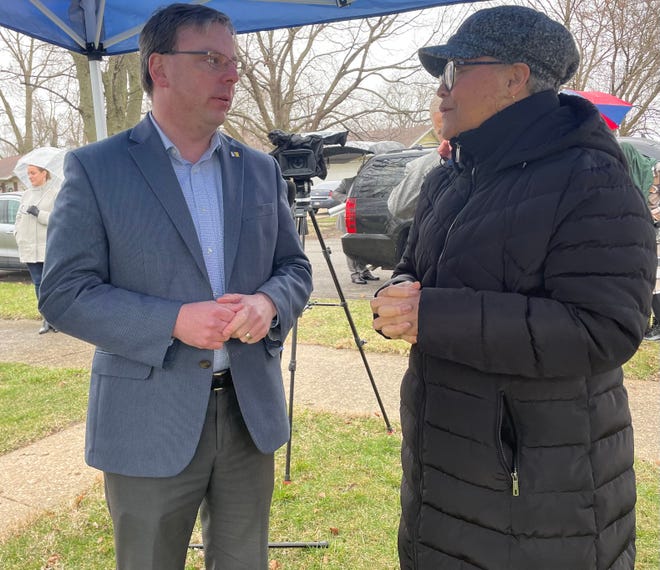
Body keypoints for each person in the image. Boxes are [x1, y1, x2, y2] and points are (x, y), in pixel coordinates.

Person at [370, 6, 657, 569]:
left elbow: (607, 328)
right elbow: (415, 268)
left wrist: (434, 316)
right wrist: (401, 294)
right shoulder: (451, 176)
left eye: (455, 71)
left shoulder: (589, 178)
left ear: (514, 78)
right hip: (445, 471)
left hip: (542, 497)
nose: (441, 89)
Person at [39, 4, 312, 569]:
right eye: (211, 59)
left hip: (247, 414)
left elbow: (295, 268)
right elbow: (64, 291)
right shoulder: (97, 168)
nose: (231, 75)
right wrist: (172, 321)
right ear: (158, 68)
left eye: (233, 62)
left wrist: (269, 303)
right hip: (148, 419)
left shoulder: (259, 169)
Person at [13, 148, 64, 334]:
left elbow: (60, 219)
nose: (30, 177)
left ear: (44, 173)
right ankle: (46, 318)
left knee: (51, 283)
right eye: (28, 174)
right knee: (37, 283)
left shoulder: (55, 193)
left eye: (33, 173)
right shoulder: (26, 194)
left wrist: (39, 214)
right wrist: (18, 234)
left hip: (47, 247)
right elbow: (19, 218)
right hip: (29, 247)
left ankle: (56, 318)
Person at [620, 142, 660, 341]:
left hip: (653, 235)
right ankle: (641, 323)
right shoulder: (637, 170)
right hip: (640, 232)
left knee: (654, 278)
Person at [387, 95, 451, 221]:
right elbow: (399, 208)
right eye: (441, 132)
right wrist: (437, 159)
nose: (448, 137)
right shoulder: (420, 166)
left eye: (453, 128)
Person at [332, 175, 380, 284]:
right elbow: (334, 194)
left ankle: (364, 271)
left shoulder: (372, 182)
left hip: (364, 217)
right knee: (351, 246)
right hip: (349, 216)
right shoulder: (347, 181)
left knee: (363, 245)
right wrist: (347, 199)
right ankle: (354, 274)